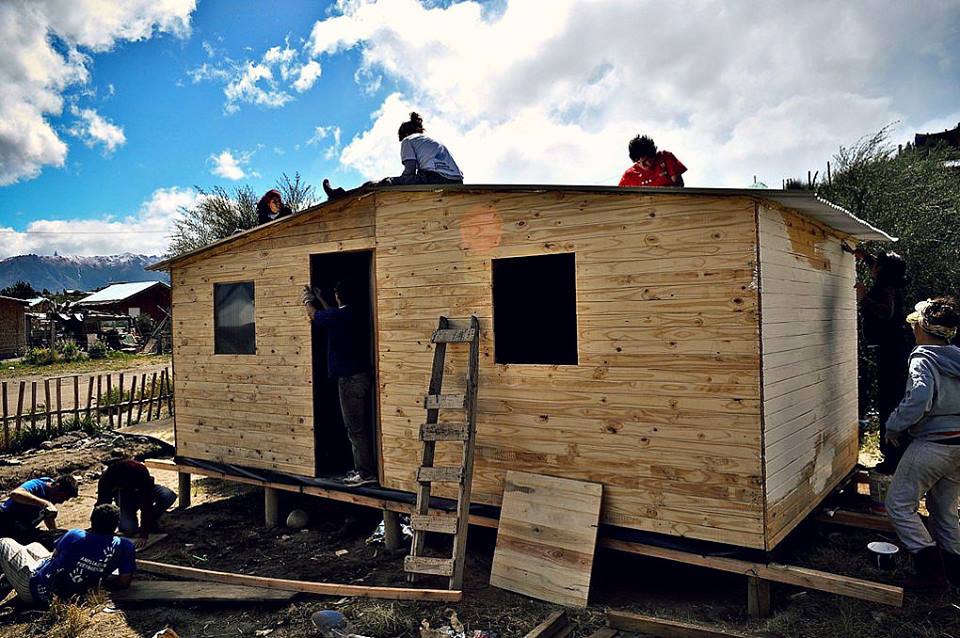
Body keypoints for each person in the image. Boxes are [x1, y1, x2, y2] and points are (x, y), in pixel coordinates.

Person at [883, 297, 960, 591]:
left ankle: (931, 573)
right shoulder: (956, 355)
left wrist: (893, 426)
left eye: (916, 322)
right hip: (957, 446)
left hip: (934, 443)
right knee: (944, 508)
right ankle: (954, 570)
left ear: (924, 328)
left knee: (898, 504)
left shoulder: (923, 357)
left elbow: (918, 398)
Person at [301, 280, 376, 486]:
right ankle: (364, 468)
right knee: (361, 424)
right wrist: (322, 299)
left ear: (338, 295)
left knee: (355, 428)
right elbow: (332, 315)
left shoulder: (338, 316)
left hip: (350, 379)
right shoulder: (351, 314)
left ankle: (365, 473)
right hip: (361, 376)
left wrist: (307, 300)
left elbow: (315, 316)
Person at [0, 503, 135, 607]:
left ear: (92, 520)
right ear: (116, 526)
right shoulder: (125, 546)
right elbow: (124, 582)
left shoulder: (75, 535)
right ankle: (9, 577)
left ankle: (8, 579)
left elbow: (55, 555)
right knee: (34, 546)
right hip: (66, 596)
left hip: (34, 588)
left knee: (4, 542)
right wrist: (95, 570)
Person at [855, 248, 911, 473]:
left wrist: (863, 297)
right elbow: (881, 267)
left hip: (891, 352)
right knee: (893, 401)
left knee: (889, 402)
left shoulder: (886, 286)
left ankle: (891, 461)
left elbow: (886, 312)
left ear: (882, 269)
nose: (873, 266)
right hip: (896, 350)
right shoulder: (892, 281)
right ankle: (896, 458)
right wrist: (865, 256)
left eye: (876, 264)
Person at [322, 112, 463, 199]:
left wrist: (394, 186)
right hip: (456, 181)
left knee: (378, 184)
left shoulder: (408, 141)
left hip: (436, 178)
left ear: (404, 134)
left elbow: (410, 170)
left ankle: (339, 195)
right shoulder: (431, 141)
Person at [95, 457, 177, 549]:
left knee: (168, 495)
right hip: (126, 500)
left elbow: (146, 504)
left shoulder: (138, 470)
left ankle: (151, 522)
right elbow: (102, 505)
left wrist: (144, 534)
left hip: (145, 491)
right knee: (128, 529)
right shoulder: (106, 479)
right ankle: (130, 520)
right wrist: (98, 529)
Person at [0, 475, 78, 546]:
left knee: (61, 536)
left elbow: (47, 517)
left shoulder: (52, 495)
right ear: (57, 487)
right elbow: (15, 494)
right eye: (62, 497)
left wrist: (54, 532)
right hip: (5, 522)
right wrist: (45, 503)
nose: (61, 502)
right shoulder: (37, 484)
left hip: (24, 530)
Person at [618, 134, 686, 187]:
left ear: (653, 154)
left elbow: (679, 185)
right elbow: (619, 196)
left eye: (649, 159)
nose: (647, 164)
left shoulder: (666, 157)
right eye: (640, 162)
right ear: (635, 160)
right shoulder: (628, 176)